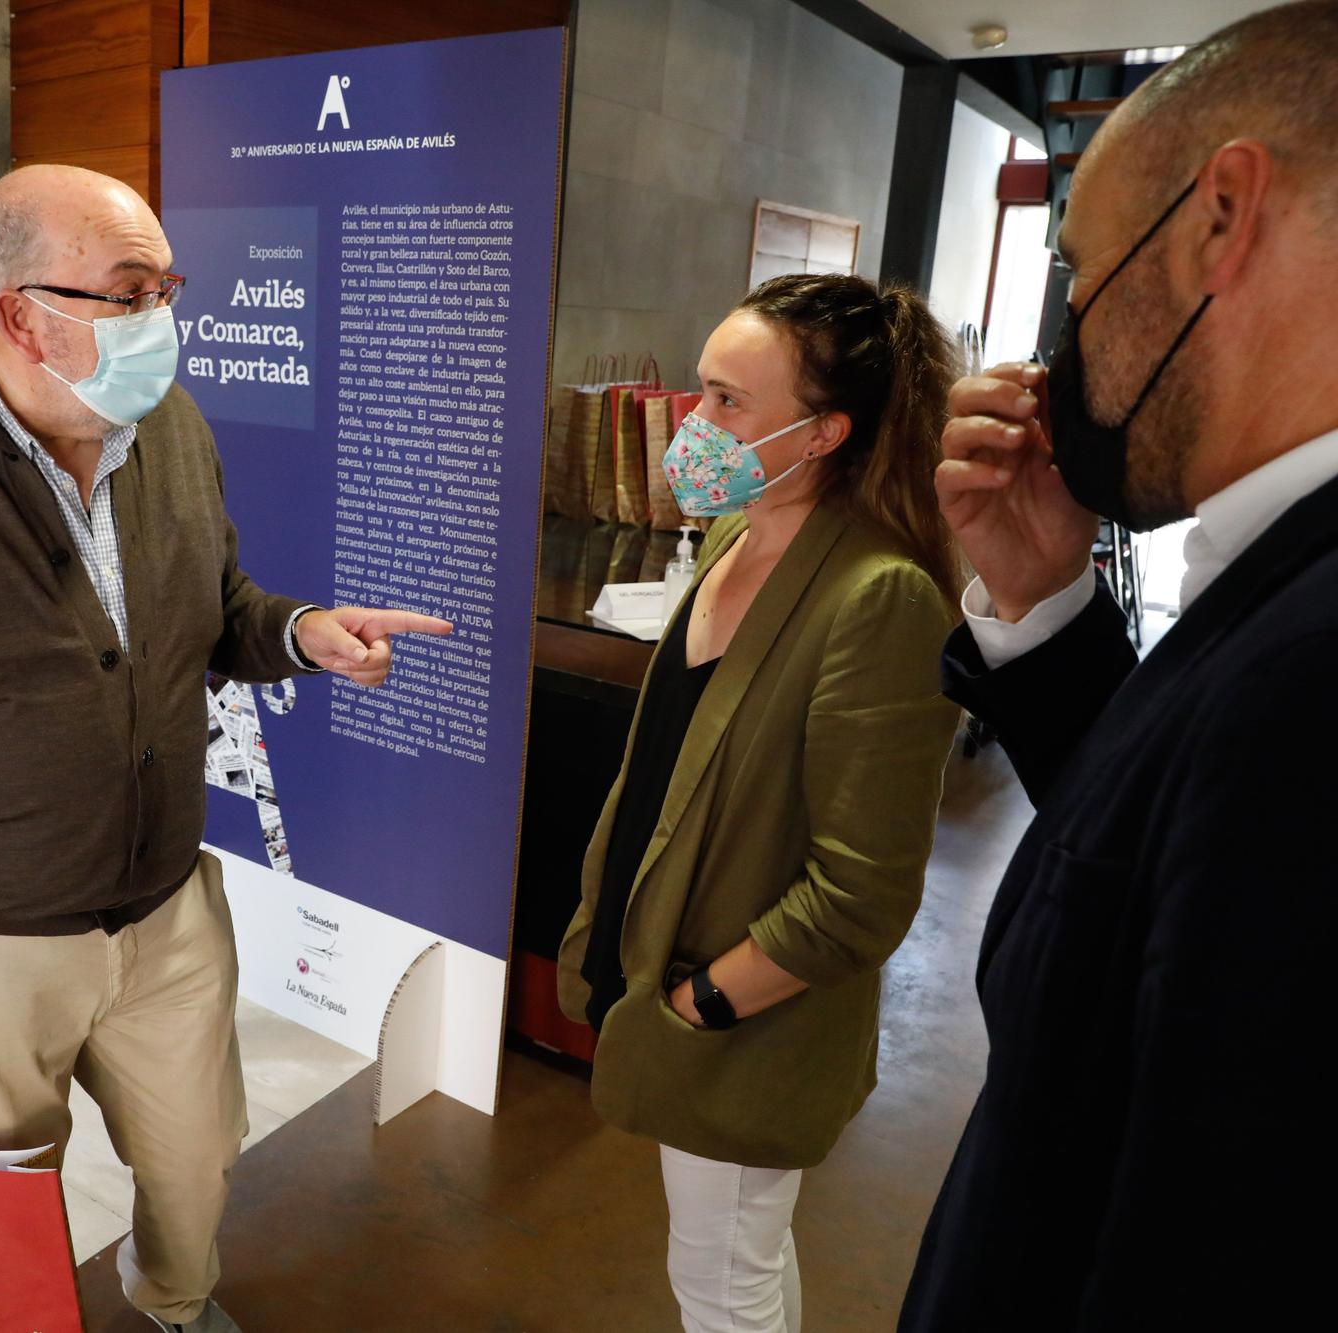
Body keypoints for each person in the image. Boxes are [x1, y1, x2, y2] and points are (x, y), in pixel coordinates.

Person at [0, 163, 452, 1333]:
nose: (163, 318)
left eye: (165, 285)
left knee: (196, 1165)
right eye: (130, 290)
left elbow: (215, 603)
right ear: (21, 313)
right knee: (0, 1210)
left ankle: (172, 1307)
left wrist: (300, 633)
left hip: (166, 911)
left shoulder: (164, 421)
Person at [901, 5, 1338, 1327]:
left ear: (1222, 215)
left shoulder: (1316, 681)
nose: (1066, 330)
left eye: (1082, 276)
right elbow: (1165, 875)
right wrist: (1041, 596)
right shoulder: (1278, 591)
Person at [555, 274, 963, 1332]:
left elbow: (861, 893)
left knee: (720, 1274)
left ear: (823, 431)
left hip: (741, 1011)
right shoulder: (742, 538)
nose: (693, 425)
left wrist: (706, 1003)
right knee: (737, 1253)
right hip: (669, 974)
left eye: (727, 402)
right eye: (699, 393)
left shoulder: (877, 595)